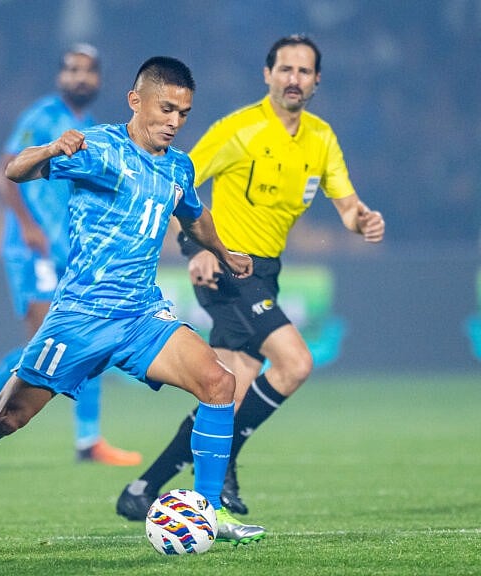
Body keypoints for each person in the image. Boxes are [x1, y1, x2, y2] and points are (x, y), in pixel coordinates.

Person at [0, 56, 266, 557]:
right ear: (136, 101)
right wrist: (50, 148)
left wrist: (223, 251)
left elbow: (192, 215)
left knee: (220, 383)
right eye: (166, 108)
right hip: (81, 317)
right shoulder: (98, 148)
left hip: (141, 317)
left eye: (184, 113)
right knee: (4, 418)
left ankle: (209, 509)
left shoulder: (179, 164)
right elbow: (16, 171)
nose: (174, 121)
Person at [116, 35, 385, 521]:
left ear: (316, 80)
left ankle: (143, 488)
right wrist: (192, 248)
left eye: (304, 71)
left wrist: (360, 219)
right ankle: (223, 465)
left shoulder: (321, 138)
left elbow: (345, 205)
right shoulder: (239, 130)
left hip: (267, 273)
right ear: (268, 74)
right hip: (225, 266)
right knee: (295, 362)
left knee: (230, 389)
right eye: (285, 69)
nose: (294, 79)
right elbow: (178, 180)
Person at [0, 43, 140, 466]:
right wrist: (29, 226)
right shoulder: (42, 117)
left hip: (70, 251)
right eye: (71, 69)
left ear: (99, 80)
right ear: (60, 76)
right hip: (32, 250)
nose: (79, 77)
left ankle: (89, 440)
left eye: (88, 71)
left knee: (89, 336)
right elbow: (5, 171)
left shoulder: (86, 124)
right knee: (44, 342)